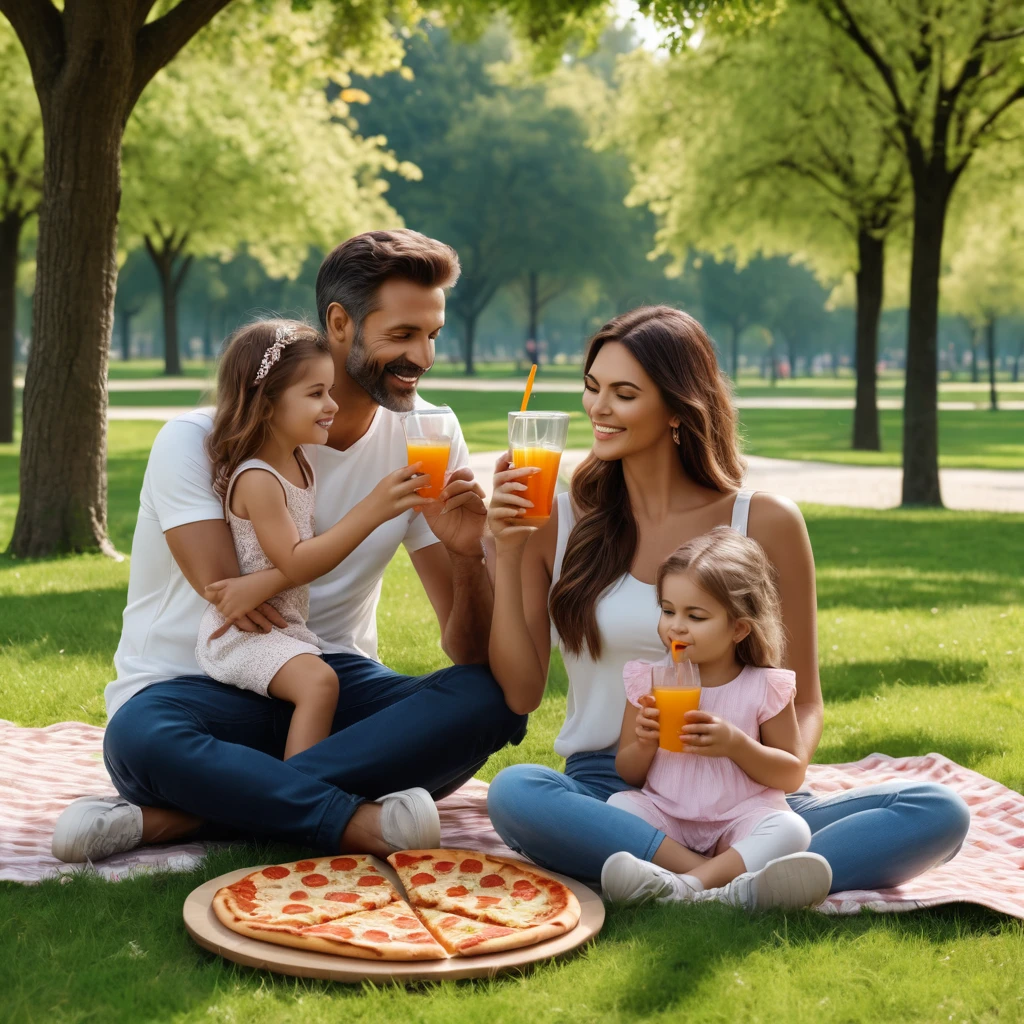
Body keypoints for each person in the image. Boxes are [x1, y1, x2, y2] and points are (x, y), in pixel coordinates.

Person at [52, 230, 526, 864]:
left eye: (433, 334)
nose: (425, 356)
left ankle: (188, 817)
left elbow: (466, 647)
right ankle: (356, 822)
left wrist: (468, 556)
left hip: (335, 681)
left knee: (487, 697)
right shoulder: (198, 442)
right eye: (404, 334)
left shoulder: (429, 434)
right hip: (202, 689)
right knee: (140, 738)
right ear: (339, 322)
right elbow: (238, 604)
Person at [485, 305, 969, 910]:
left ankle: (688, 883)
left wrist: (768, 766)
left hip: (746, 790)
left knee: (936, 809)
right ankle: (726, 885)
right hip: (618, 789)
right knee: (516, 792)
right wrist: (505, 554)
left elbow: (806, 699)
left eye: (624, 394)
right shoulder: (556, 516)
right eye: (592, 388)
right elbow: (521, 692)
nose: (597, 409)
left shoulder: (763, 522)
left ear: (678, 409)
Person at [195, 318, 429, 759]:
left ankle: (300, 782)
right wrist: (373, 508)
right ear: (266, 405)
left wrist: (256, 585)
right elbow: (298, 562)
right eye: (316, 394)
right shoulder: (258, 479)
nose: (333, 405)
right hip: (243, 638)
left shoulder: (299, 463)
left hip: (288, 632)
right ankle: (300, 795)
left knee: (336, 683)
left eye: (330, 390)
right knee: (321, 684)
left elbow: (285, 566)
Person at [601, 528, 828, 907]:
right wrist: (644, 743)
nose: (676, 626)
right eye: (668, 610)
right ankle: (721, 887)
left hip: (741, 819)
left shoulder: (764, 686)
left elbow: (791, 774)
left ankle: (685, 886)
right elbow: (629, 773)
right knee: (618, 809)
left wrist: (736, 744)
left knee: (790, 828)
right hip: (667, 817)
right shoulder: (648, 679)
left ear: (738, 628)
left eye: (696, 616)